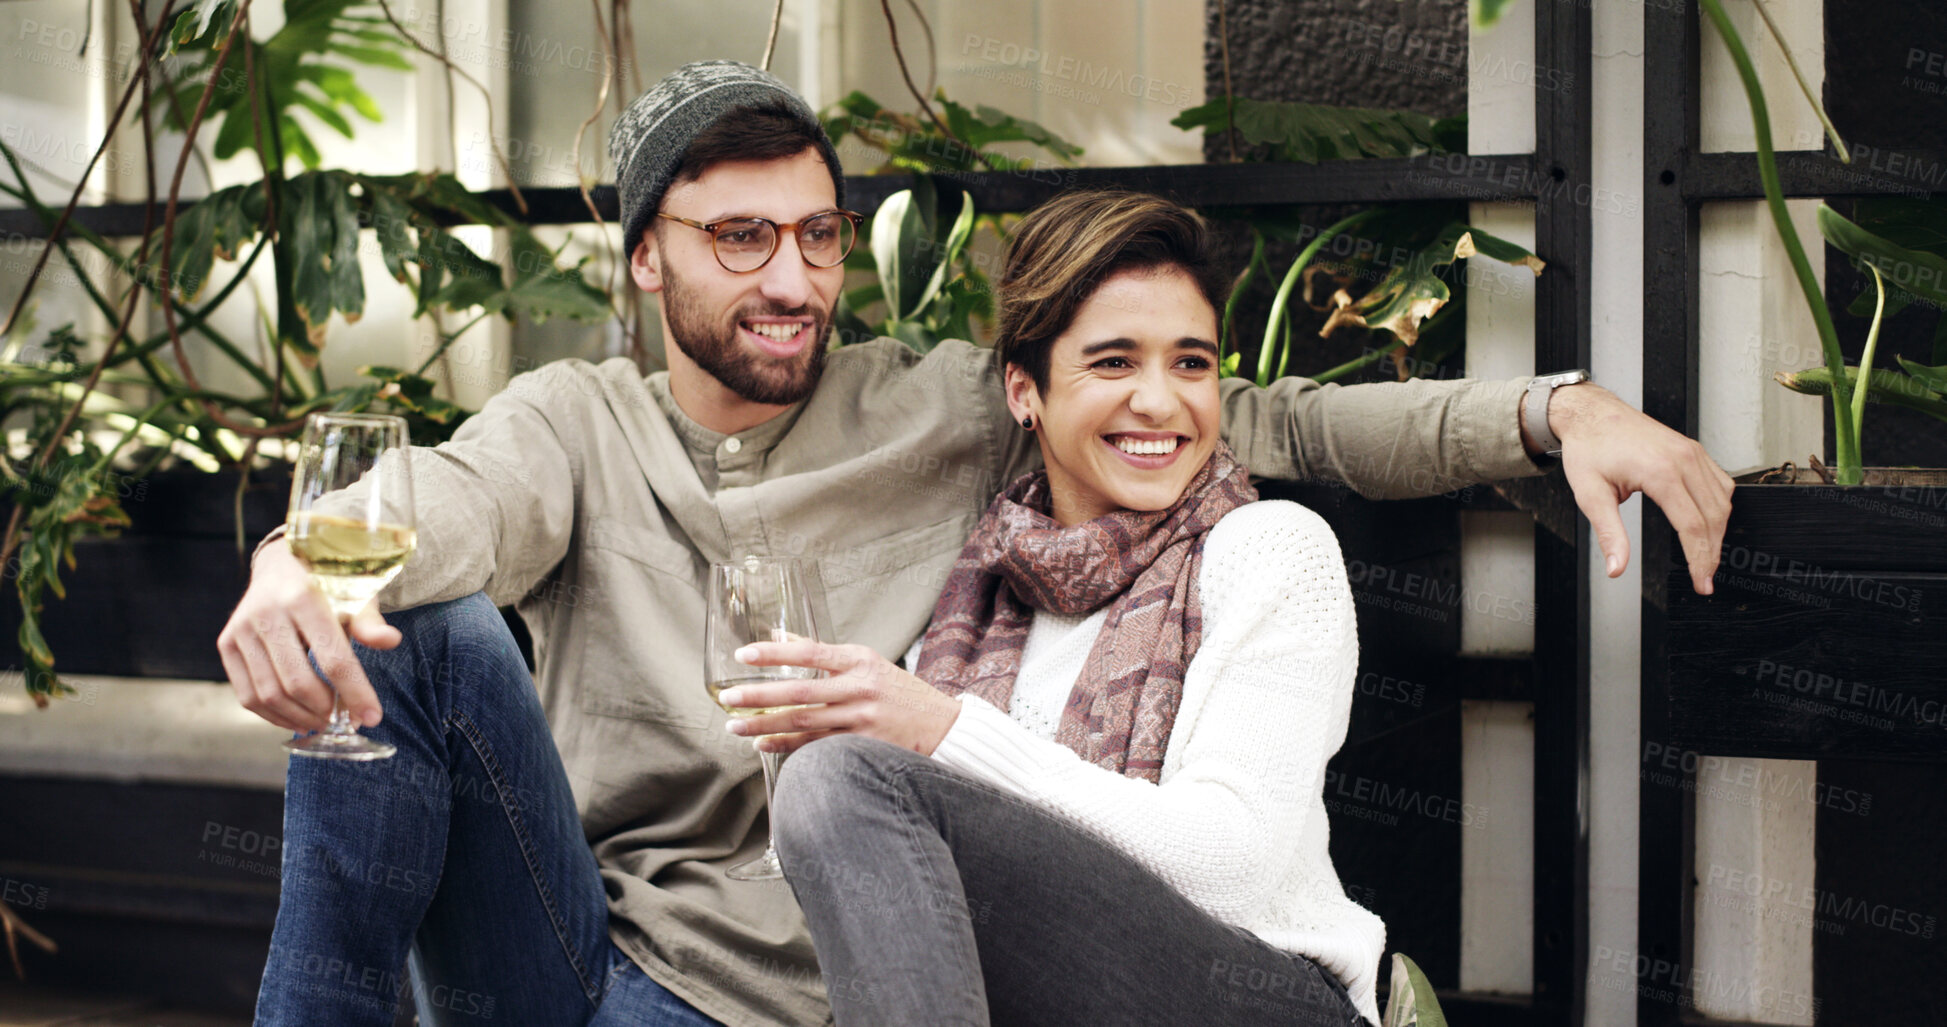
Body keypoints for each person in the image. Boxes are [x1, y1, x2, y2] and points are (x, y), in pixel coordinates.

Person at [219, 60, 1729, 1026]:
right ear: (643, 258)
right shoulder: (569, 421)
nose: (791, 278)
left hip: (839, 977)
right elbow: (456, 502)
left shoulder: (944, 407)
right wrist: (304, 555)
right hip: (599, 963)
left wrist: (1546, 409)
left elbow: (1262, 421)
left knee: (843, 782)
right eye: (739, 238)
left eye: (814, 235)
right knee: (416, 630)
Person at [726, 189, 1382, 1026]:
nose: (1159, 401)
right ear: (1023, 391)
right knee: (826, 776)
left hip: (1267, 998)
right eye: (1113, 362)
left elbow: (1231, 870)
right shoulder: (977, 599)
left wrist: (946, 732)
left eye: (1190, 362)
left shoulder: (1272, 548)